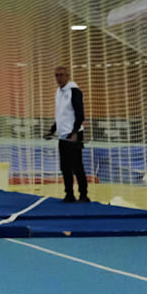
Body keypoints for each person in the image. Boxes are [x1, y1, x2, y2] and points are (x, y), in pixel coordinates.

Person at [52, 64, 88, 203]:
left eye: (61, 75)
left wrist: (74, 133)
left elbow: (80, 115)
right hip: (63, 136)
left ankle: (83, 195)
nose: (59, 78)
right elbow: (60, 115)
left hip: (74, 135)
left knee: (77, 166)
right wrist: (52, 130)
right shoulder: (58, 92)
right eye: (57, 75)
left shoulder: (74, 91)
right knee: (65, 167)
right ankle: (69, 194)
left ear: (67, 76)